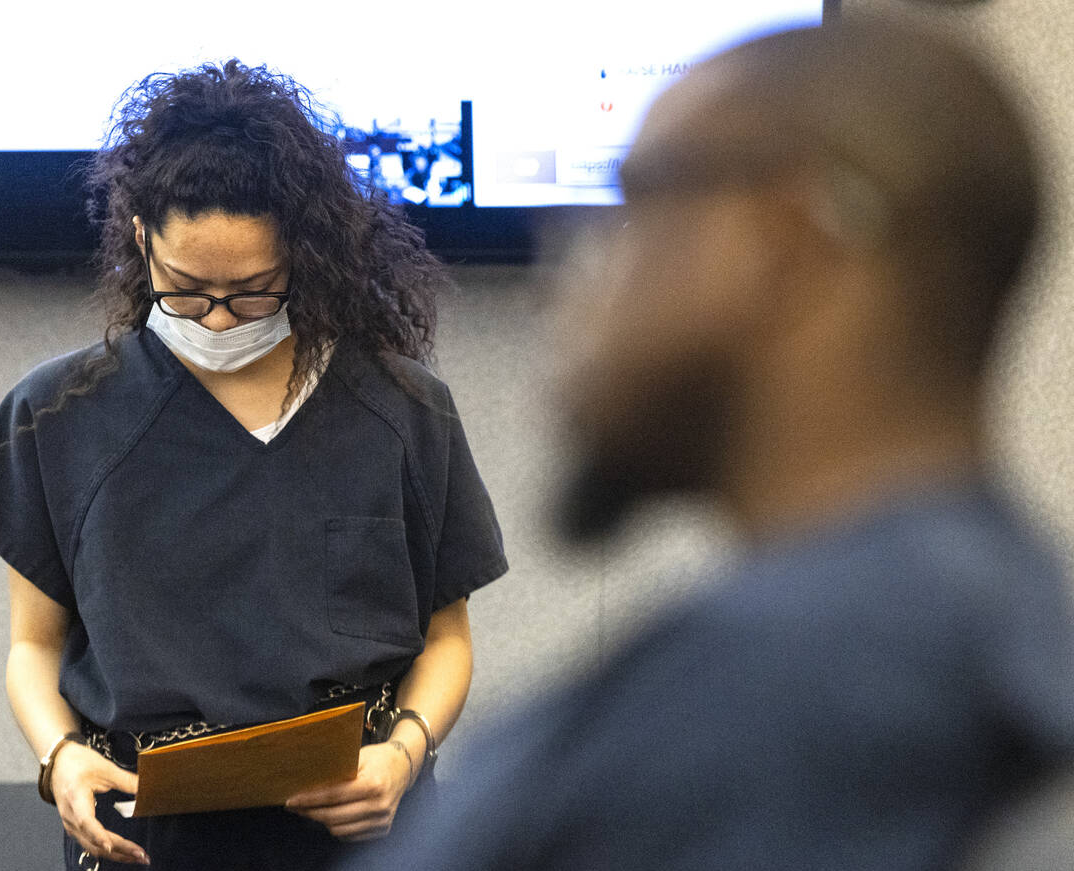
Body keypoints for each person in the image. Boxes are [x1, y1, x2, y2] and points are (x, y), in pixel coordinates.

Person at [361, 15, 1074, 871]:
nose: (571, 278)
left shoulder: (787, 695)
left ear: (782, 246)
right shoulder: (1002, 628)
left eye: (631, 202)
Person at [0, 60, 507, 870]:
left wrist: (404, 753)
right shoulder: (57, 414)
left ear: (304, 257)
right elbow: (32, 648)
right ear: (140, 239)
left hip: (362, 825)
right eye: (185, 289)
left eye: (252, 291)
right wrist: (59, 757)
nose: (217, 317)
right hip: (145, 829)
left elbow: (446, 639)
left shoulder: (402, 409)